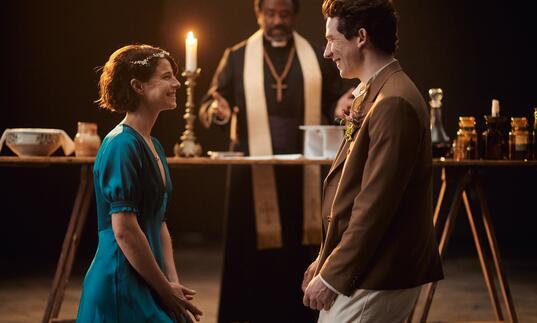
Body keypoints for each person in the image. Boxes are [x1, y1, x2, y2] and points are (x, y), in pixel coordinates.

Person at [198, 0, 350, 322]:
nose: (277, 21)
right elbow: (211, 102)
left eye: (283, 14)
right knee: (249, 255)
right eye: (270, 14)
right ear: (259, 14)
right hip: (251, 171)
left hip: (302, 171)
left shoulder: (314, 54)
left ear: (294, 15)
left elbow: (338, 95)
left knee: (299, 250)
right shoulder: (237, 56)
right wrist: (217, 110)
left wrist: (341, 105)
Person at [302, 0, 444, 322]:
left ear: (361, 37)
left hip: (378, 273)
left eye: (332, 39)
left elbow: (375, 206)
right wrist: (325, 258)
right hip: (364, 268)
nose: (327, 52)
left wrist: (332, 274)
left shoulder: (394, 102)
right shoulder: (376, 92)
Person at [76, 44, 203, 323]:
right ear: (138, 86)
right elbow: (124, 230)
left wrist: (172, 285)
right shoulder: (121, 144)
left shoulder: (153, 144)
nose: (176, 83)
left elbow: (158, 221)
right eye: (166, 76)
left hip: (150, 278)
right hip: (121, 280)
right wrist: (164, 289)